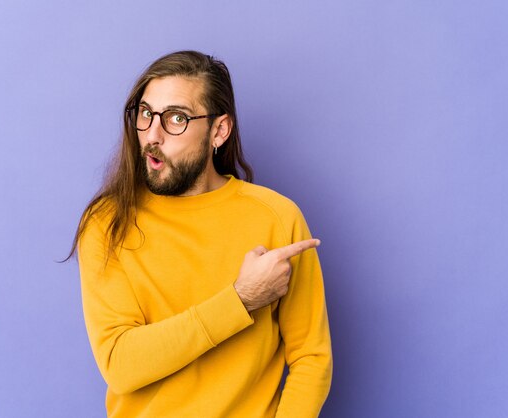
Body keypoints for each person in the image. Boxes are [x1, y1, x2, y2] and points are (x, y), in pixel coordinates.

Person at [68, 50, 332, 417]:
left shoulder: (277, 217)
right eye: (146, 114)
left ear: (219, 131)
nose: (152, 135)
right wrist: (239, 301)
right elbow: (120, 364)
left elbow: (312, 357)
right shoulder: (107, 222)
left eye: (176, 117)